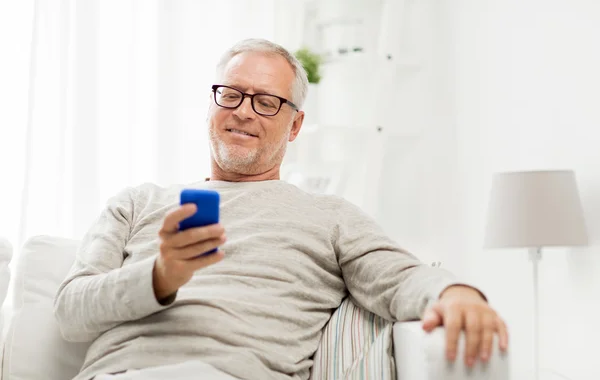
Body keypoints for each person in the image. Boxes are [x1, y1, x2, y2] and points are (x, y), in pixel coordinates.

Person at [54, 38, 508, 380]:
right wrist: (160, 276)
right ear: (212, 106)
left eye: (267, 102)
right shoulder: (137, 203)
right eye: (231, 94)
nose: (244, 111)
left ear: (295, 125)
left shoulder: (329, 216)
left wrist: (457, 294)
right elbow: (70, 313)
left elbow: (398, 275)